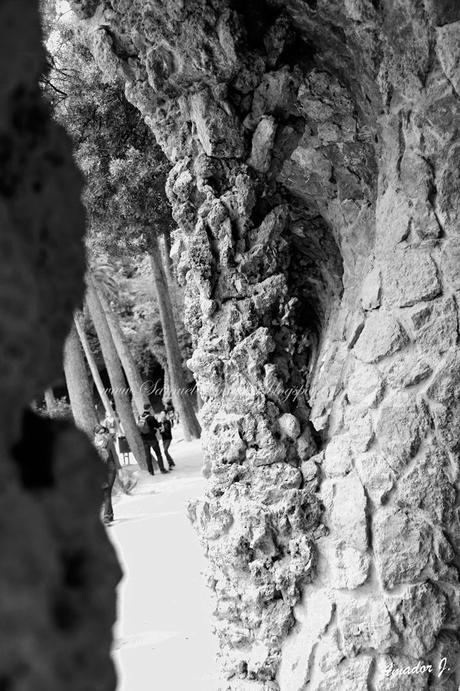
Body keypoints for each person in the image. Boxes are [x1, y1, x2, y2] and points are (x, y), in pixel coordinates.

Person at [94, 424, 117, 525]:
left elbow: (115, 455)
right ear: (95, 434)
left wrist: (120, 469)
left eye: (104, 432)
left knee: (107, 492)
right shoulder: (92, 444)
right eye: (100, 433)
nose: (103, 435)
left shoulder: (109, 441)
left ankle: (106, 516)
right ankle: (110, 514)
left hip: (111, 469)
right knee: (106, 493)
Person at [138, 404, 168, 475]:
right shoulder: (151, 418)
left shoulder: (140, 417)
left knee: (147, 455)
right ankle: (162, 469)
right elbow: (157, 426)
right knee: (158, 454)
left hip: (144, 439)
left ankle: (151, 471)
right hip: (152, 438)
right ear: (150, 408)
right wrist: (157, 420)